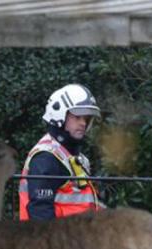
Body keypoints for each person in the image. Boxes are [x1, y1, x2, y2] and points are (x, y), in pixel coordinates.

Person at [18, 83, 104, 221]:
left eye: (86, 118)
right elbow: (40, 214)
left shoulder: (73, 156)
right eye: (77, 117)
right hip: (54, 235)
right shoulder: (46, 157)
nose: (83, 123)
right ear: (59, 114)